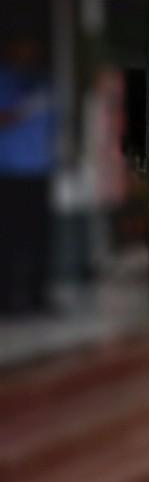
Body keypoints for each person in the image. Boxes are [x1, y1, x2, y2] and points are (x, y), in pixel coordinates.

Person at [0, 35, 56, 315]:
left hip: (39, 169)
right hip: (9, 172)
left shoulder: (43, 80)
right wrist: (23, 110)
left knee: (39, 237)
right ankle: (7, 299)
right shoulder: (5, 79)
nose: (28, 53)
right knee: (9, 238)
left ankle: (37, 296)